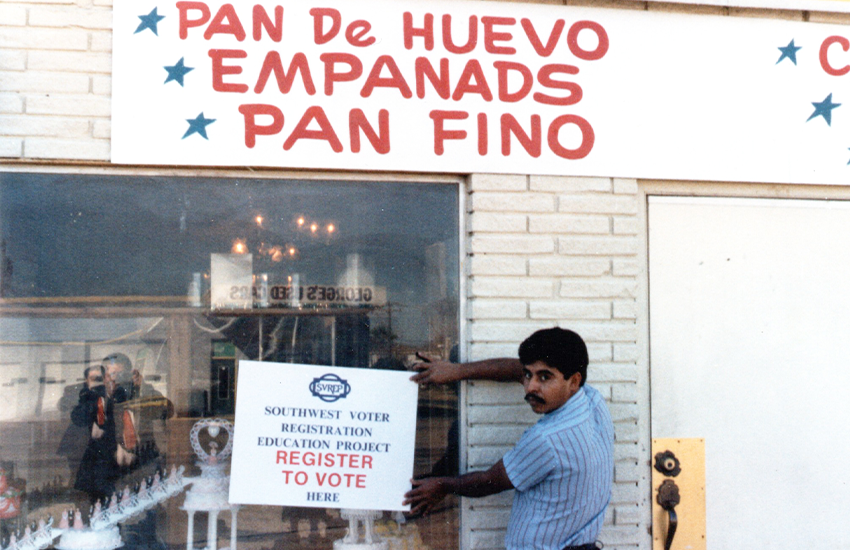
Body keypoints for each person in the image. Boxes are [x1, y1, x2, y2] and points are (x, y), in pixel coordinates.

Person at [404, 327, 614, 550]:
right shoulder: (593, 401)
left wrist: (442, 485)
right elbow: (519, 369)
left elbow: (489, 481)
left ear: (574, 381)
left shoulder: (548, 439)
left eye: (544, 377)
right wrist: (457, 371)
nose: (530, 387)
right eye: (528, 375)